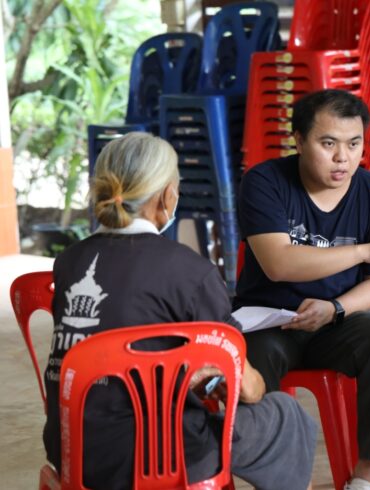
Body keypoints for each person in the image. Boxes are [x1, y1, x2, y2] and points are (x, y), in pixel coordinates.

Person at [42, 133, 317, 490]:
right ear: (166, 195)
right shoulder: (188, 270)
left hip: (74, 450)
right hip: (163, 455)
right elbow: (247, 389)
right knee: (285, 414)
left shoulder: (69, 262)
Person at [234, 89, 370, 490]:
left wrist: (335, 307)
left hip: (338, 322)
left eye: (354, 145)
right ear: (299, 141)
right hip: (270, 322)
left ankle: (365, 479)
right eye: (328, 143)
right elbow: (279, 263)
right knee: (252, 363)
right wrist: (366, 250)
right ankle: (277, 479)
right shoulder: (265, 181)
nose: (342, 158)